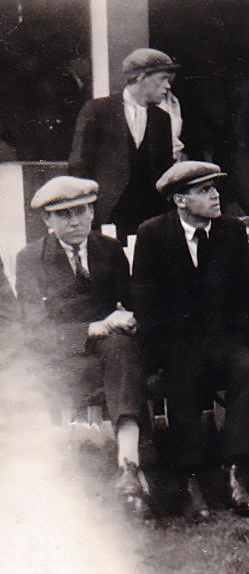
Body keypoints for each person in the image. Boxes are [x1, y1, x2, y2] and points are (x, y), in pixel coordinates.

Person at [132, 161, 249, 519]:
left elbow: (248, 300)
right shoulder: (152, 234)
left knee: (246, 371)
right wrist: (157, 361)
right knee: (181, 378)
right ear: (180, 200)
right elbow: (145, 306)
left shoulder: (232, 231)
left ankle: (235, 472)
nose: (215, 196)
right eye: (204, 190)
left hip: (223, 341)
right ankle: (191, 479)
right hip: (176, 345)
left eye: (215, 188)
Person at [15, 176, 148, 515]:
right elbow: (36, 329)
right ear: (47, 221)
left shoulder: (109, 249)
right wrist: (97, 326)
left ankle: (128, 464)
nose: (75, 221)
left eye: (81, 212)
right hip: (60, 354)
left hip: (110, 353)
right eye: (63, 215)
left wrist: (129, 317)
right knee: (118, 358)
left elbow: (131, 302)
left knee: (123, 348)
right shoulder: (30, 259)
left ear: (92, 212)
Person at [68, 48, 178, 240]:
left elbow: (165, 174)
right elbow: (79, 166)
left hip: (149, 218)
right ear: (142, 77)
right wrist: (85, 213)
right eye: (163, 79)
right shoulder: (98, 110)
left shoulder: (162, 119)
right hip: (107, 214)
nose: (167, 86)